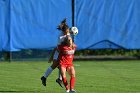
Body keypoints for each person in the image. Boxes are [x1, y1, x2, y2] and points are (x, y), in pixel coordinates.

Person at [41, 18, 71, 87]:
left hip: (62, 53)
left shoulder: (66, 32)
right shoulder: (61, 37)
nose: (67, 32)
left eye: (68, 31)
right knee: (57, 66)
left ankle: (47, 78)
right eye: (66, 32)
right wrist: (52, 57)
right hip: (58, 52)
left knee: (60, 66)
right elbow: (58, 48)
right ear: (63, 31)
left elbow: (67, 31)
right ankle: (55, 79)